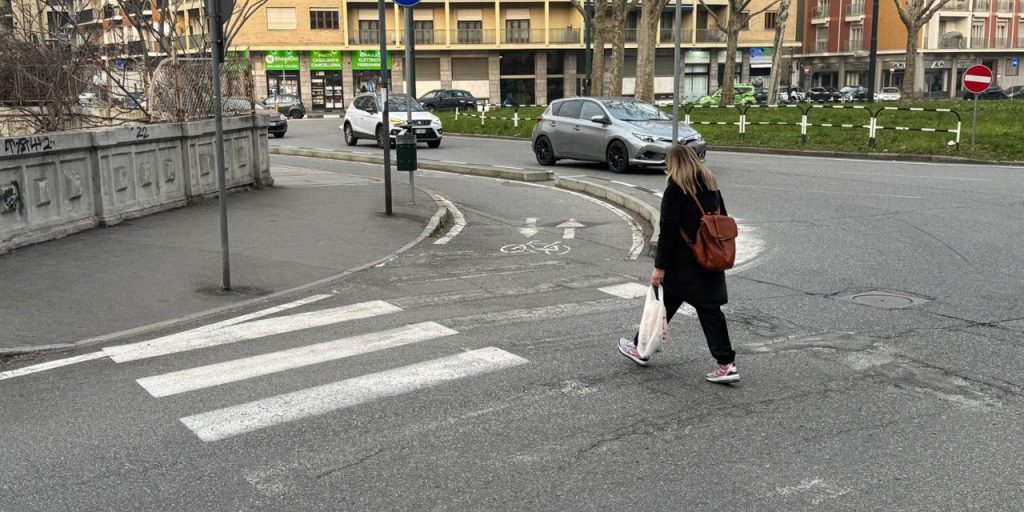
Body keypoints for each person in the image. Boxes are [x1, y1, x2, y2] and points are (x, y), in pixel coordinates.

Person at [617, 145, 739, 384]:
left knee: (663, 305)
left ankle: (640, 349)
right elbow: (722, 217)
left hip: (683, 265)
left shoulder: (675, 190)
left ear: (673, 165)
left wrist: (659, 267)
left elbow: (668, 234)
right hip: (710, 260)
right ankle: (726, 364)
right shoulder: (711, 185)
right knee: (709, 311)